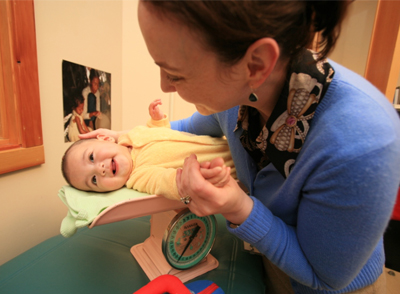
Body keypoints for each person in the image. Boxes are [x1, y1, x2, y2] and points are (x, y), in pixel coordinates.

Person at [80, 1, 400, 293]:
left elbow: (326, 276)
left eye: (175, 72)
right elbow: (188, 128)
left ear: (256, 64)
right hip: (267, 256)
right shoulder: (236, 98)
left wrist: (238, 207)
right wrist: (126, 137)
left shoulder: (362, 144)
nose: (165, 86)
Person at [63, 99, 235, 200]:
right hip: (228, 168)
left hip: (229, 142)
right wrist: (183, 183)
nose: (99, 170)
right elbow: (164, 182)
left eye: (91, 157)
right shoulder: (139, 177)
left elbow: (158, 132)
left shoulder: (132, 134)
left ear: (106, 139)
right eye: (93, 180)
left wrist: (157, 121)